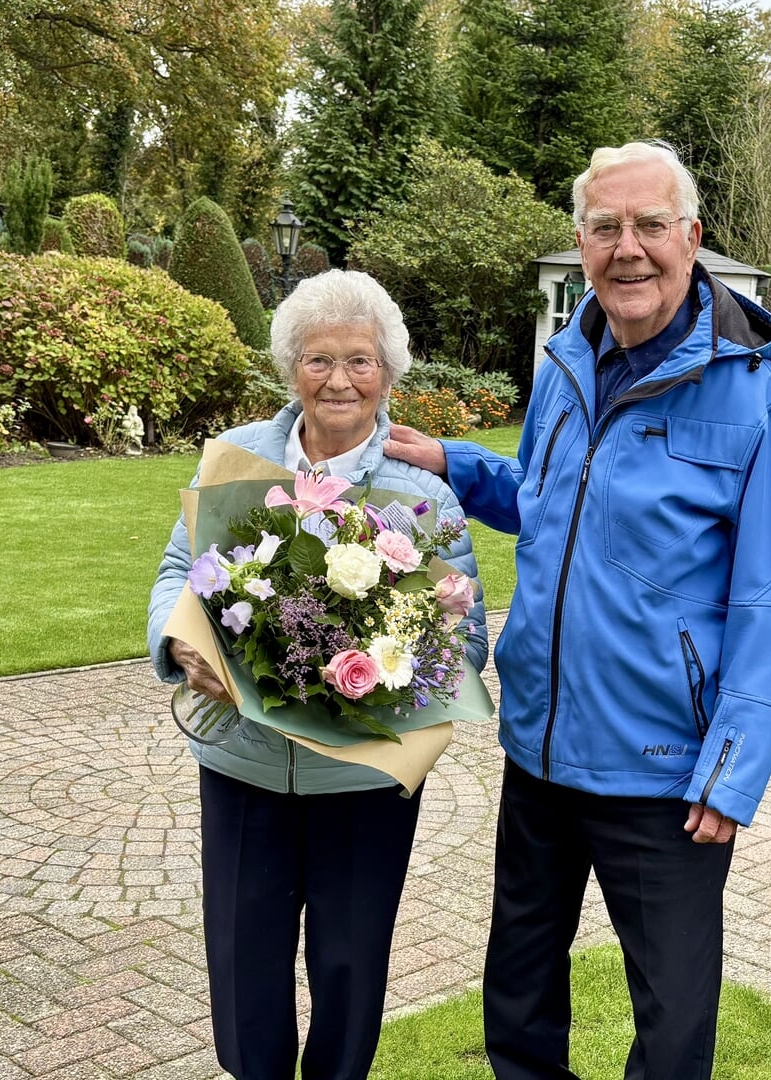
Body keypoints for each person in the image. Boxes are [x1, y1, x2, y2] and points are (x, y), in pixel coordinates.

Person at [385, 141, 771, 1079]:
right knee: (519, 999)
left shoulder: (755, 401)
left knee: (670, 1025)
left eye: (650, 225)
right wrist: (454, 464)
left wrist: (730, 773)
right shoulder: (566, 365)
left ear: (691, 237)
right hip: (537, 750)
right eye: (605, 226)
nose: (629, 248)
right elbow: (547, 503)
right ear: (580, 242)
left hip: (664, 774)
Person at [144, 269, 489, 1080]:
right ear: (289, 367)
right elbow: (174, 567)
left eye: (360, 361)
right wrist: (178, 641)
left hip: (362, 778)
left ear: (389, 373)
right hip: (242, 760)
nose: (339, 380)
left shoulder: (420, 490)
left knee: (348, 961)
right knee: (244, 960)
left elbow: (465, 637)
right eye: (318, 359)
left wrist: (427, 643)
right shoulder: (236, 460)